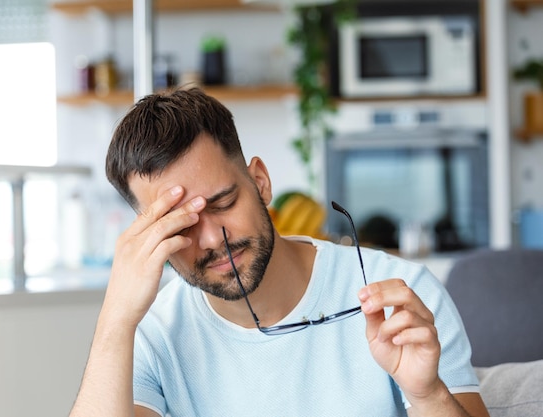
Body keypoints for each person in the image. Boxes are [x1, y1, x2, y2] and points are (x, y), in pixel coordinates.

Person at [69, 88, 489, 417]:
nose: (213, 239)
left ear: (260, 182)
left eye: (223, 203)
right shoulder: (151, 335)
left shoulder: (403, 298)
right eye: (182, 225)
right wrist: (114, 321)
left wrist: (428, 394)